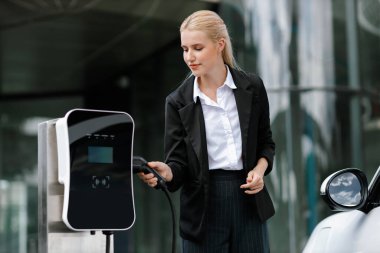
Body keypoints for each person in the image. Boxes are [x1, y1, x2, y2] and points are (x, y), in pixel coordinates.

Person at [138, 10, 275, 253]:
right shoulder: (178, 101)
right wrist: (167, 172)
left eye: (197, 48)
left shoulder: (252, 87)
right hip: (202, 209)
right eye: (184, 49)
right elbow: (178, 163)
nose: (189, 57)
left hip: (249, 203)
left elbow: (266, 142)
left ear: (220, 44)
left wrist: (259, 170)